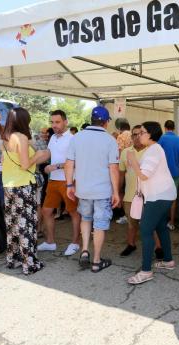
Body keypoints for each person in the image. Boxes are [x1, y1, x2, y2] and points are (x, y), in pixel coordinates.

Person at [65, 106, 120, 273]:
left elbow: (69, 163)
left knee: (86, 219)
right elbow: (113, 168)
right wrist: (116, 192)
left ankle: (84, 251)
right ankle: (96, 261)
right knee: (100, 224)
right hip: (102, 191)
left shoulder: (77, 137)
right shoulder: (110, 140)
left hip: (83, 189)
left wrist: (69, 185)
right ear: (106, 122)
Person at [126, 121, 178, 284]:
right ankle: (168, 261)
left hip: (158, 196)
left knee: (146, 229)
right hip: (161, 195)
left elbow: (143, 175)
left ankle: (146, 271)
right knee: (160, 227)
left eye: (141, 132)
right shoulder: (153, 150)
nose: (138, 135)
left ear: (150, 134)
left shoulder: (154, 150)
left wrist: (132, 158)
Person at [1, 108, 50, 275]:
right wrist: (39, 155)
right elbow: (24, 164)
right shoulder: (21, 138)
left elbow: (7, 162)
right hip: (23, 185)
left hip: (9, 185)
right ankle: (30, 263)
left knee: (13, 224)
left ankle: (13, 258)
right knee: (26, 225)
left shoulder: (5, 137)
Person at [37, 110, 81, 256]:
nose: (54, 125)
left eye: (57, 122)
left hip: (69, 181)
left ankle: (75, 243)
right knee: (46, 211)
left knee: (73, 212)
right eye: (52, 122)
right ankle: (50, 242)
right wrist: (31, 160)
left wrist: (55, 166)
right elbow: (48, 154)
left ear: (65, 122)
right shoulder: (53, 138)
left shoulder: (73, 138)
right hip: (53, 180)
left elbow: (76, 161)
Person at [119, 125, 147, 257]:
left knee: (151, 224)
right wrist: (118, 192)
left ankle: (158, 248)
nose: (136, 137)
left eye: (139, 134)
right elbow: (121, 174)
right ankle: (131, 244)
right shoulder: (125, 152)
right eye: (134, 135)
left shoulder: (151, 150)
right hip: (130, 195)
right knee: (132, 223)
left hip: (149, 195)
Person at [158, 120, 179, 231]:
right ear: (174, 128)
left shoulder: (161, 139)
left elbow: (157, 153)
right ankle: (172, 222)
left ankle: (161, 222)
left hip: (163, 173)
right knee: (173, 198)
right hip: (175, 173)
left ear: (165, 127)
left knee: (162, 197)